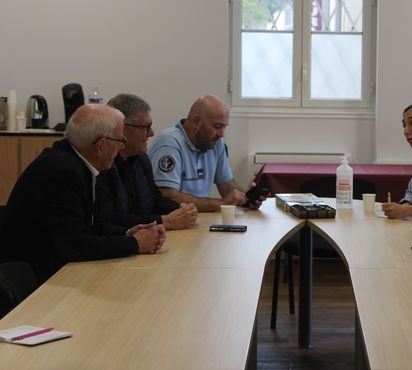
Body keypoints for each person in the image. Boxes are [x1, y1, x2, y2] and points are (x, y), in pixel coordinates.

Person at [0, 105, 165, 284]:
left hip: (56, 270)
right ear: (101, 146)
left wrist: (128, 233)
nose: (120, 148)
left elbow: (94, 225)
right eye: (120, 141)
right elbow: (75, 246)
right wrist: (135, 244)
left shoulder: (77, 163)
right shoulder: (63, 173)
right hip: (33, 282)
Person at [147, 95, 266, 212]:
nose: (221, 134)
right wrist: (222, 204)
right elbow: (168, 196)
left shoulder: (215, 142)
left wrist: (245, 198)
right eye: (217, 126)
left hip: (199, 221)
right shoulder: (169, 142)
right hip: (172, 223)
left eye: (224, 127)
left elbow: (227, 186)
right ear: (196, 121)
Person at [97, 93, 198, 230]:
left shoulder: (141, 159)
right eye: (145, 127)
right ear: (122, 129)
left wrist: (181, 208)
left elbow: (154, 200)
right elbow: (112, 219)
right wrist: (164, 221)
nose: (151, 133)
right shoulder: (103, 164)